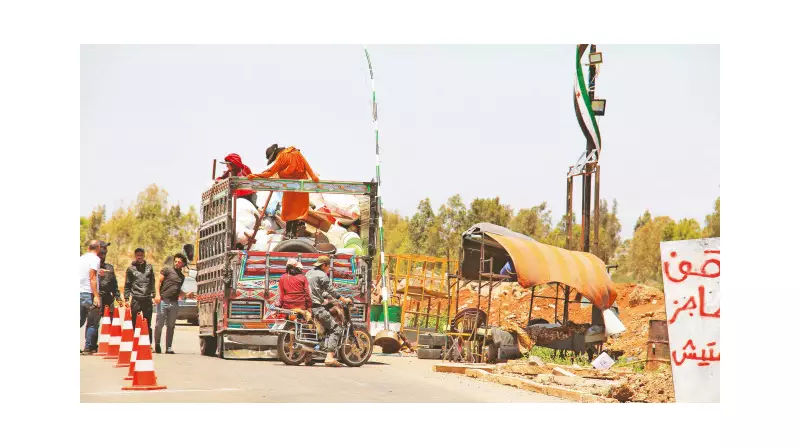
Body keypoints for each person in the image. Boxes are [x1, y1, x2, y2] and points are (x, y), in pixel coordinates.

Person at [248, 144, 320, 239]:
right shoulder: (296, 152)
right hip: (301, 187)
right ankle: (292, 234)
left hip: (290, 187)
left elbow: (270, 171)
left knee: (289, 212)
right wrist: (314, 177)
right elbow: (307, 167)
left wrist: (256, 176)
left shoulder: (282, 156)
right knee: (297, 212)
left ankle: (289, 234)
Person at [306, 255, 352, 367]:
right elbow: (330, 290)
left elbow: (318, 291)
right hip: (317, 307)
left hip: (307, 306)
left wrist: (329, 297)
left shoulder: (308, 273)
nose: (329, 269)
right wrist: (343, 299)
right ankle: (330, 357)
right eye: (328, 266)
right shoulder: (322, 275)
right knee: (336, 329)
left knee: (315, 331)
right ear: (324, 265)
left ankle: (307, 357)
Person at [83, 243, 121, 354]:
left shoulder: (109, 268)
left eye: (104, 254)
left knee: (112, 322)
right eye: (101, 253)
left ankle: (111, 345)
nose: (102, 256)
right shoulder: (93, 266)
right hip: (96, 297)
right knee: (93, 322)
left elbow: (114, 284)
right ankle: (90, 346)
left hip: (108, 298)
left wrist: (118, 297)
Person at [154, 253, 188, 354]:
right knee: (159, 324)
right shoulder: (167, 270)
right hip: (163, 301)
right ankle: (157, 344)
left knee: (171, 326)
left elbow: (178, 291)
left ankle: (169, 347)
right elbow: (158, 282)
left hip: (174, 303)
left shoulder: (182, 277)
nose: (177, 263)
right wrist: (157, 295)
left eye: (179, 262)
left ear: (183, 264)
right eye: (176, 261)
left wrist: (186, 294)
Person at [125, 248, 156, 344]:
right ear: (135, 256)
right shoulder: (130, 269)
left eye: (141, 255)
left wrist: (154, 295)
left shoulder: (149, 267)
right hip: (136, 299)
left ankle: (148, 344)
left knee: (147, 322)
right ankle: (135, 342)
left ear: (144, 255)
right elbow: (127, 284)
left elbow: (152, 282)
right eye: (138, 255)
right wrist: (126, 298)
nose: (139, 257)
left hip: (147, 298)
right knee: (134, 322)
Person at [79, 240, 103, 354]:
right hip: (88, 292)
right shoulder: (95, 259)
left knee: (80, 320)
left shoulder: (81, 258)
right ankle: (88, 347)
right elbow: (92, 277)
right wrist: (96, 296)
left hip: (79, 292)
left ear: (88, 248)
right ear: (98, 248)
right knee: (92, 321)